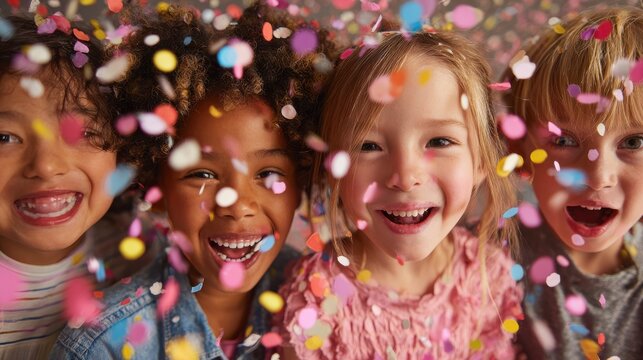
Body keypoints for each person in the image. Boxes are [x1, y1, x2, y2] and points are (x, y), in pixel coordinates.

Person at [52, 2, 335, 359]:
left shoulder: (328, 300)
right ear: (156, 190)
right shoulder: (102, 344)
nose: (237, 204)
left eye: (268, 174)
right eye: (202, 174)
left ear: (301, 184)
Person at [278, 28, 523, 359]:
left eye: (439, 142)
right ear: (332, 167)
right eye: (369, 146)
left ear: (481, 161)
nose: (405, 177)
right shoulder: (316, 302)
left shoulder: (488, 276)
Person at [0, 14, 151, 359]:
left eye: (82, 133)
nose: (46, 166)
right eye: (5, 137)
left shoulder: (141, 248)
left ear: (121, 149)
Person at [502, 7, 643, 359]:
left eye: (634, 142)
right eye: (564, 141)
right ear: (520, 149)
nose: (598, 176)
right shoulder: (484, 262)